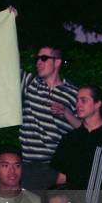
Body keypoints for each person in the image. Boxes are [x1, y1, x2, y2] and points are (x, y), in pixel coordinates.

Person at [18, 45, 80, 191]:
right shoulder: (30, 84)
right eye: (37, 59)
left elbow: (84, 129)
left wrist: (66, 113)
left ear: (57, 62)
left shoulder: (73, 93)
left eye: (44, 58)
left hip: (55, 167)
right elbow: (8, 64)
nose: (38, 62)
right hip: (27, 166)